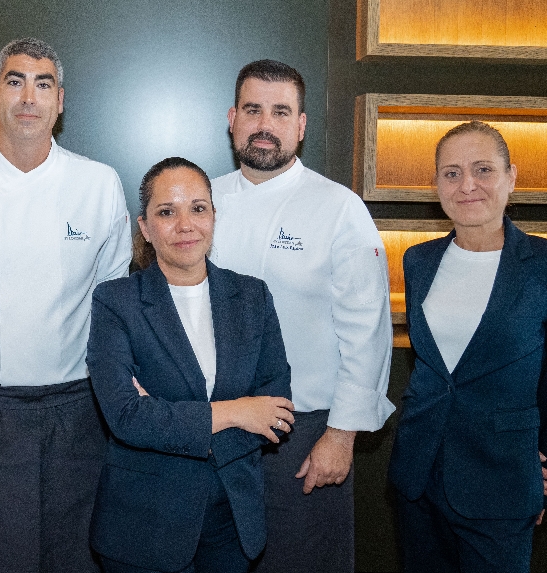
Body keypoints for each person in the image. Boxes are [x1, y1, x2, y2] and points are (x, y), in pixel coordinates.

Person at [0, 37, 131, 573]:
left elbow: (110, 301)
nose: (28, 97)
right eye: (15, 82)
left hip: (78, 412)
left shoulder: (99, 185)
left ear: (61, 100)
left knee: (76, 558)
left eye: (43, 84)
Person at [209, 59, 395, 572]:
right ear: (232, 118)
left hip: (305, 437)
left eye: (280, 111)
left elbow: (368, 331)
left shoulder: (339, 208)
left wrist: (341, 436)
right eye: (253, 109)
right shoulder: (203, 202)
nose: (265, 124)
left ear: (301, 125)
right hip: (214, 429)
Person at [87, 157, 294, 573]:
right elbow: (126, 417)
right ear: (145, 227)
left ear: (214, 217)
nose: (185, 225)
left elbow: (276, 410)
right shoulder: (115, 302)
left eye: (198, 208)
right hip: (144, 525)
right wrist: (235, 412)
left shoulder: (252, 297)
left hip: (232, 520)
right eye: (167, 212)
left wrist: (171, 419)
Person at [388, 120, 547, 572]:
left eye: (483, 169)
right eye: (451, 173)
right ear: (436, 183)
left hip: (504, 481)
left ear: (511, 177)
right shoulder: (418, 260)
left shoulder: (541, 266)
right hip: (418, 475)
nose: (467, 185)